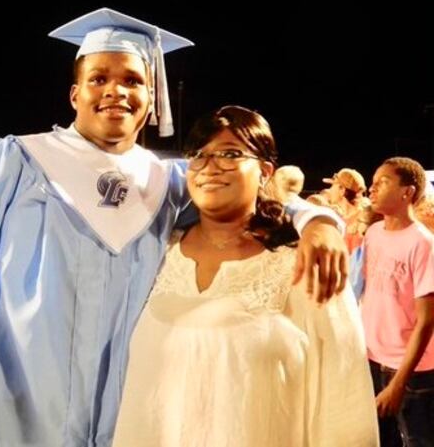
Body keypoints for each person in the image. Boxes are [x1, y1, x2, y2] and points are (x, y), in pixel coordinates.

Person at [0, 8, 348, 446]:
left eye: (133, 80)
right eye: (98, 77)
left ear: (150, 98)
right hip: (10, 413)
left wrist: (320, 221)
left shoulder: (172, 183)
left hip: (129, 419)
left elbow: (254, 201)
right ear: (75, 93)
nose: (115, 90)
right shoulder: (12, 163)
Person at [113, 105, 378, 446]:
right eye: (199, 155)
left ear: (266, 171)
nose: (209, 167)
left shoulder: (303, 263)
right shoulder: (157, 254)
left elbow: (345, 398)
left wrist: (319, 223)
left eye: (229, 153)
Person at [359, 157, 434, 446]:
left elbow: (426, 320)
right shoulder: (373, 233)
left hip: (410, 370)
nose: (372, 188)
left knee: (417, 439)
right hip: (372, 359)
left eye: (383, 181)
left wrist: (399, 382)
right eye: (373, 181)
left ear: (408, 192)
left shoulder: (423, 244)